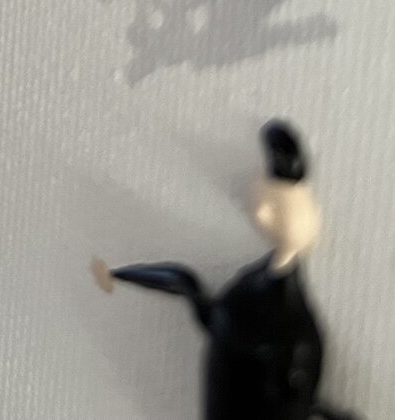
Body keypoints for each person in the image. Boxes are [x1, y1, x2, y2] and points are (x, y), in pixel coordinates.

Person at [93, 121, 360, 420]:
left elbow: (299, 395)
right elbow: (194, 294)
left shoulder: (291, 326)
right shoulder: (263, 303)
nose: (261, 213)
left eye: (274, 207)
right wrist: (121, 275)